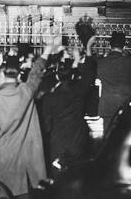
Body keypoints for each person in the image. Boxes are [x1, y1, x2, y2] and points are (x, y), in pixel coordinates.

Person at [0, 43, 55, 199]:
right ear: (17, 75)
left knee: (4, 198)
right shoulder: (25, 92)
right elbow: (36, 74)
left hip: (3, 153)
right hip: (24, 154)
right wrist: (47, 51)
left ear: (3, 76)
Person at [41, 38, 96, 172]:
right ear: (72, 77)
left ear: (57, 77)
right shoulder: (79, 91)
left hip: (58, 142)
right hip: (77, 141)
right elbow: (89, 73)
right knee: (76, 174)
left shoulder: (50, 97)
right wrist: (87, 49)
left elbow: (46, 125)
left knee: (57, 175)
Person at [97, 32, 131, 134]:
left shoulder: (101, 62)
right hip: (126, 105)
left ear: (109, 45)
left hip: (108, 107)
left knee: (108, 138)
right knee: (124, 138)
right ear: (124, 46)